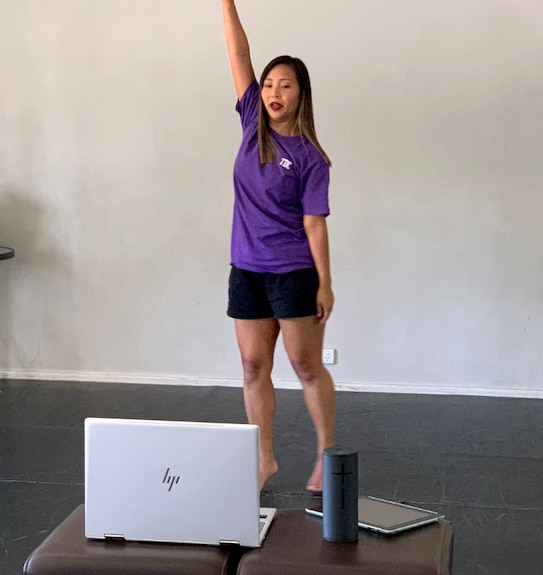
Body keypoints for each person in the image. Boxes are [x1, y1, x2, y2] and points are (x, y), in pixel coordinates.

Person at [221, 0, 336, 493]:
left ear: (300, 95)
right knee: (252, 367)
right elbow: (239, 54)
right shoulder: (252, 126)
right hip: (246, 270)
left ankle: (327, 455)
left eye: (284, 85)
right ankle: (263, 459)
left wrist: (325, 284)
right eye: (269, 84)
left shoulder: (311, 158)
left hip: (292, 273)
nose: (273, 92)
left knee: (306, 365)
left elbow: (315, 225)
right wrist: (226, 5)